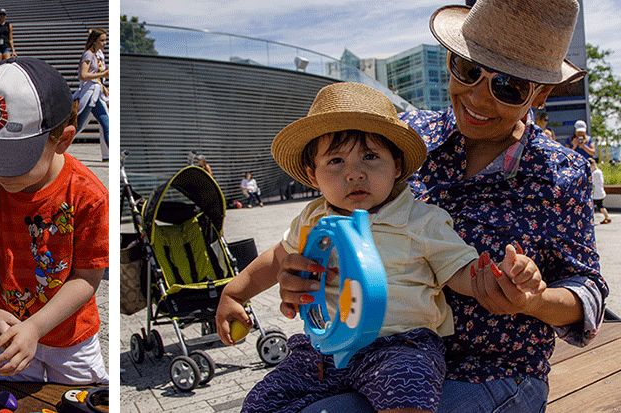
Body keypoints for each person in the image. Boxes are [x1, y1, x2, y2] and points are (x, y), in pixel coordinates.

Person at [294, 1, 607, 411]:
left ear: (541, 93)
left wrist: (534, 300)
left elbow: (587, 291)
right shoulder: (405, 138)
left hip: (494, 370)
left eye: (507, 86)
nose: (477, 96)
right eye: (468, 68)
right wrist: (301, 271)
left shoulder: (564, 173)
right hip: (373, 354)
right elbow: (333, 201)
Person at [218, 83, 543, 413]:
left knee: (408, 400)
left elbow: (458, 269)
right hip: (323, 350)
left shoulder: (421, 219)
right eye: (335, 161)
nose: (354, 174)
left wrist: (499, 276)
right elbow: (277, 258)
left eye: (370, 157)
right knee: (261, 401)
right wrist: (234, 293)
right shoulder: (312, 218)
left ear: (397, 166)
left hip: (400, 348)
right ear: (311, 174)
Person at [0, 57, 108, 384]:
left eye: (13, 162)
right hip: (9, 332)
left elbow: (87, 277)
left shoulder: (88, 196)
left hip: (71, 342)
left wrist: (36, 327)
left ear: (63, 140)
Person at [72, 28, 110, 162]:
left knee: (107, 124)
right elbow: (83, 76)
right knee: (76, 126)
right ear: (95, 41)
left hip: (96, 94)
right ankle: (55, 150)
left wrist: (102, 85)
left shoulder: (96, 54)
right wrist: (103, 75)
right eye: (102, 40)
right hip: (88, 94)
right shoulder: (88, 55)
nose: (105, 43)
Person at [591, 158, 611, 224]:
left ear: (593, 165)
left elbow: (592, 181)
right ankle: (607, 217)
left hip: (597, 194)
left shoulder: (595, 173)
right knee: (600, 206)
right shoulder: (599, 171)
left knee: (596, 206)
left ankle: (607, 217)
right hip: (599, 193)